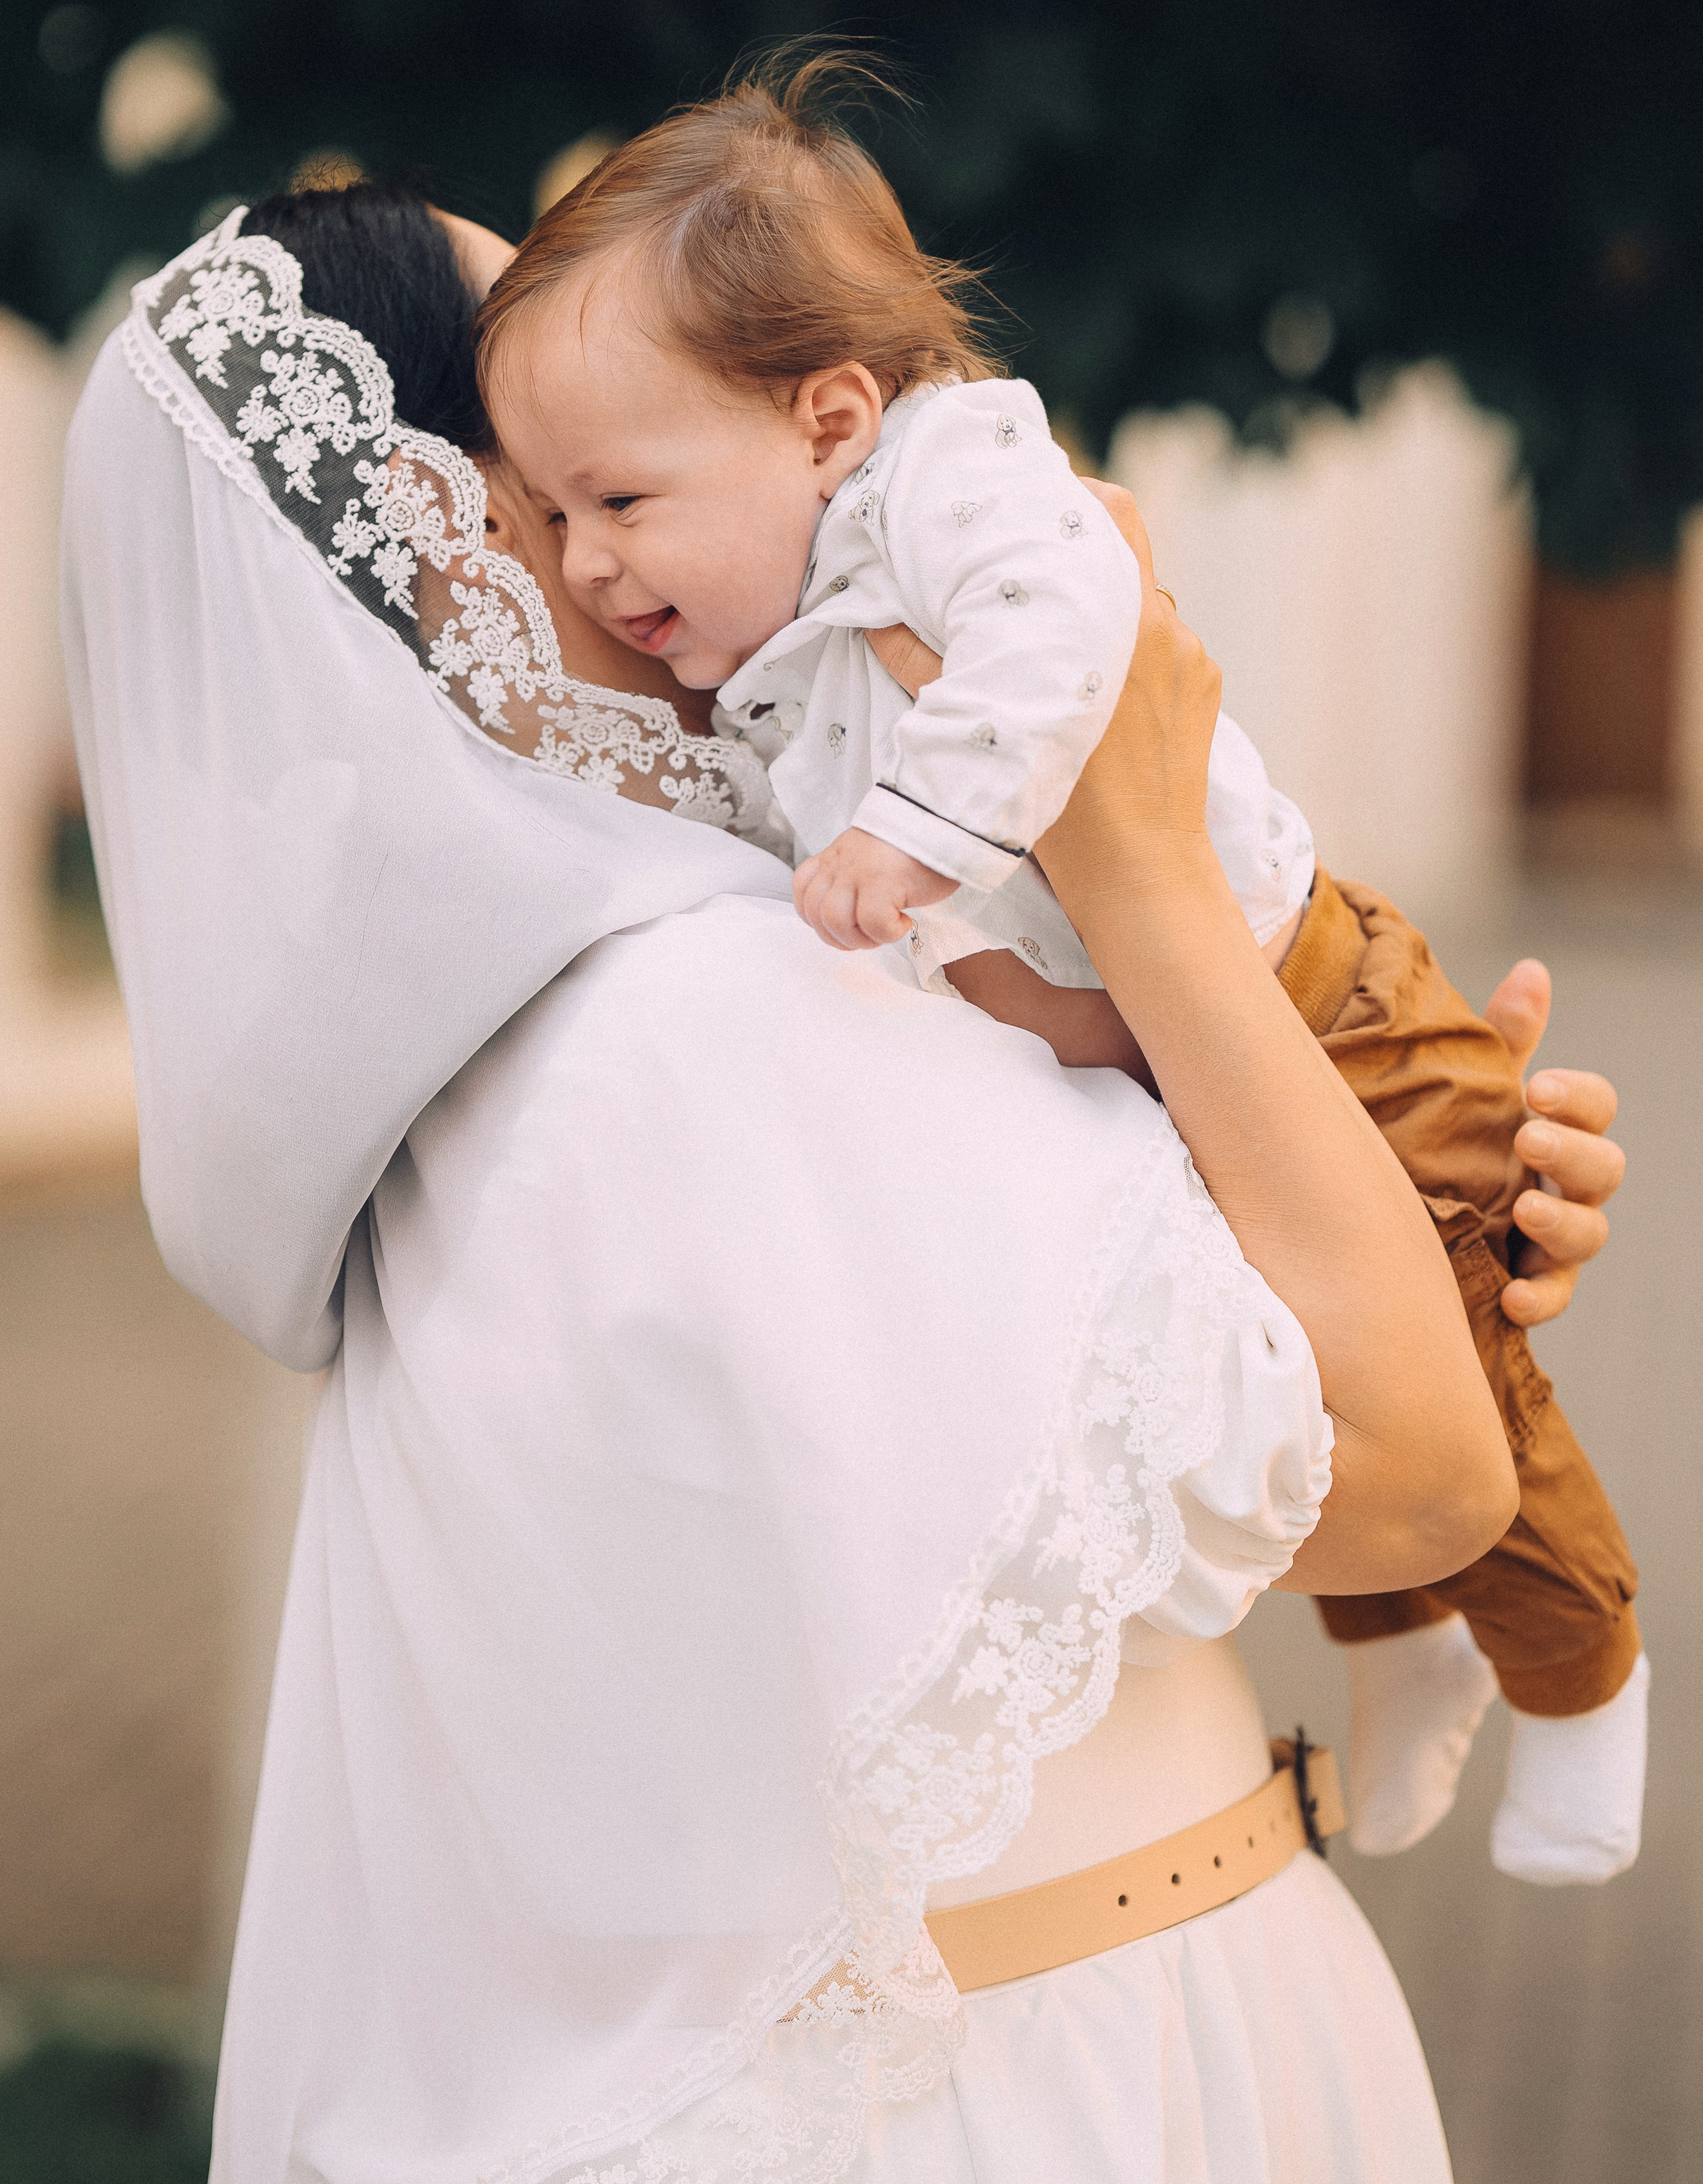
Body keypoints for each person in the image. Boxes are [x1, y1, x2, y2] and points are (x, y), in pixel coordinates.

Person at [63, 188, 1621, 2184]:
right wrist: (1139, 849)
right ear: (458, 537)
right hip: (1062, 2089)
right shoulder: (717, 1021)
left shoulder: (488, 1062)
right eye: (560, 437)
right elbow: (1409, 1469)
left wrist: (1416, 1202)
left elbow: (1175, 1424)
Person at [473, 56, 1644, 1885]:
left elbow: (1074, 622)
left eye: (615, 496)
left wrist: (921, 833)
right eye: (544, 522)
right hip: (1169, 1046)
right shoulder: (771, 633)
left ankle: (1586, 1678)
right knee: (1302, 1351)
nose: (586, 558)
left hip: (1303, 995)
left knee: (1472, 1369)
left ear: (829, 413)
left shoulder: (949, 478)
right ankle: (1411, 1644)